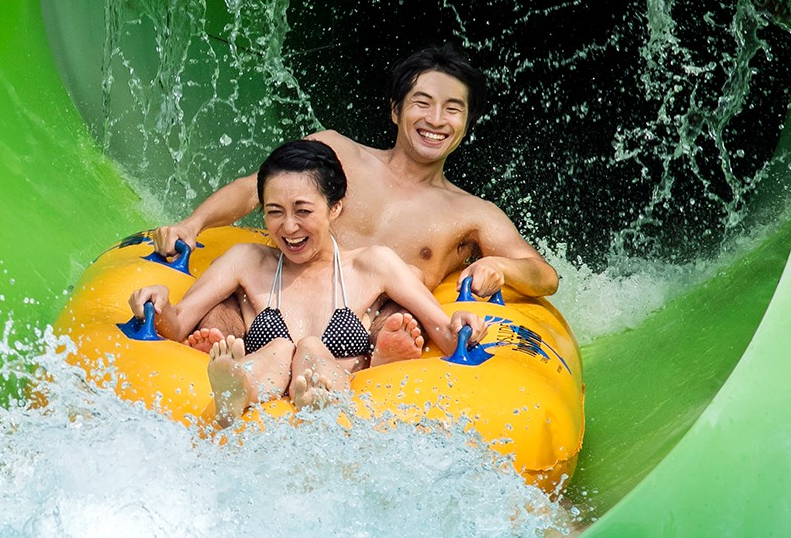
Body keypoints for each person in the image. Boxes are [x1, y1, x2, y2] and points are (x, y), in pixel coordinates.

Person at [148, 47, 560, 364]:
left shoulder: (472, 213)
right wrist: (193, 223)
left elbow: (543, 275)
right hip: (281, 303)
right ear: (396, 110)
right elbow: (254, 189)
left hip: (365, 321)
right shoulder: (335, 150)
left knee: (399, 320)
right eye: (422, 102)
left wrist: (501, 267)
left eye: (453, 109)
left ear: (466, 123)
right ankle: (222, 350)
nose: (435, 119)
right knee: (224, 306)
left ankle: (380, 354)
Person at [130, 139, 484, 425]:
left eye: (303, 211)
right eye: (274, 212)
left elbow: (447, 333)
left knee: (313, 347)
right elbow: (175, 325)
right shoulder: (247, 261)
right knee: (282, 348)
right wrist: (157, 302)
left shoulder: (372, 264)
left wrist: (462, 323)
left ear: (335, 208)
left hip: (340, 387)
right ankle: (238, 391)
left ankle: (331, 392)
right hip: (263, 378)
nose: (288, 227)